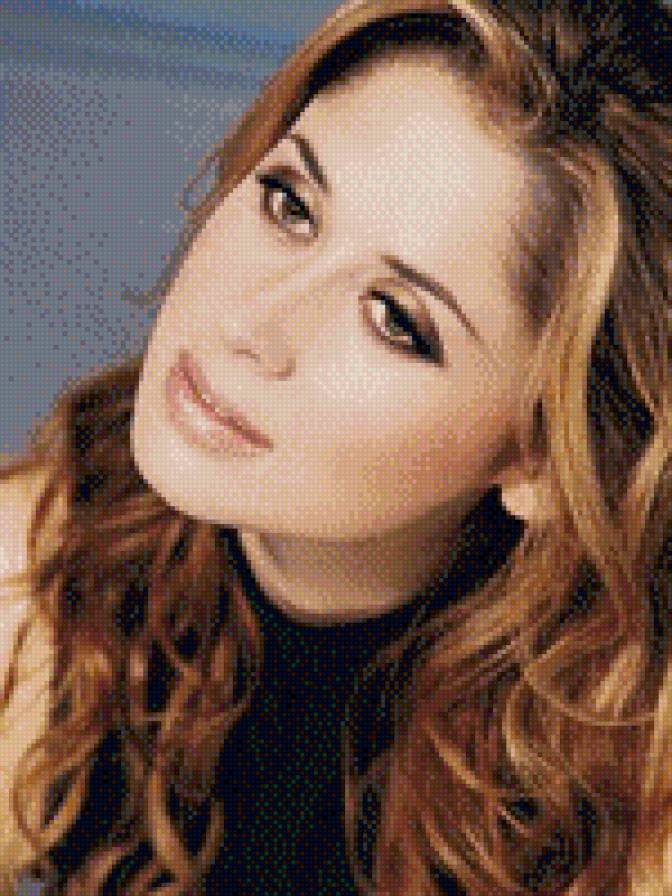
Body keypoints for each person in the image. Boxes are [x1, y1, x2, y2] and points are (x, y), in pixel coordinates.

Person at [1, 0, 671, 893]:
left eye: (395, 318)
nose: (253, 321)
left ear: (546, 458)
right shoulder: (42, 574)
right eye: (290, 204)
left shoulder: (636, 778)